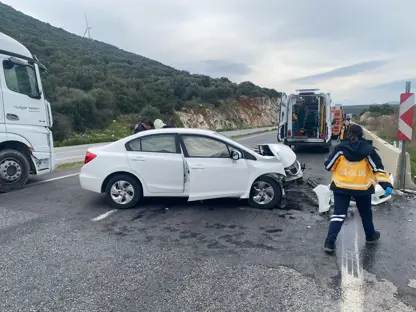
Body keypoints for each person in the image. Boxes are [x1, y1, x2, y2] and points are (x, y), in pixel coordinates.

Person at [323, 124, 393, 254]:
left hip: (341, 186)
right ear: (361, 136)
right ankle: (371, 236)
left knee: (338, 214)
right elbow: (377, 169)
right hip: (362, 188)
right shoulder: (369, 150)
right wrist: (386, 185)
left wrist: (327, 161)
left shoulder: (340, 149)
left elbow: (329, 166)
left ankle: (330, 242)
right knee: (365, 213)